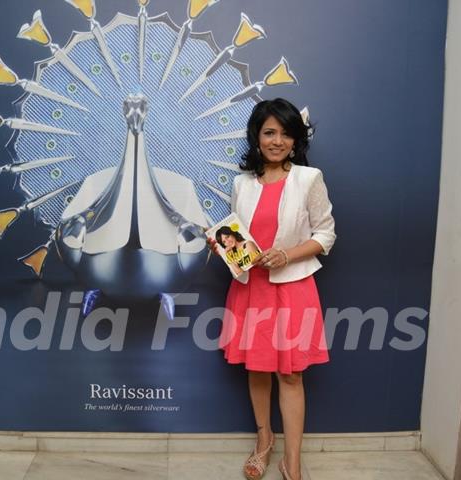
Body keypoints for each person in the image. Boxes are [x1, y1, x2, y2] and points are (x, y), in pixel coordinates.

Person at [208, 98, 335, 480]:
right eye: (269, 132)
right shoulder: (240, 183)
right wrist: (222, 246)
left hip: (293, 287)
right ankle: (264, 441)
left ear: (295, 140)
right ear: (257, 137)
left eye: (285, 133)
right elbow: (240, 239)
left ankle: (291, 461)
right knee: (258, 369)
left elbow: (326, 234)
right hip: (252, 289)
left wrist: (288, 255)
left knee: (292, 375)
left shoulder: (309, 179)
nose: (277, 140)